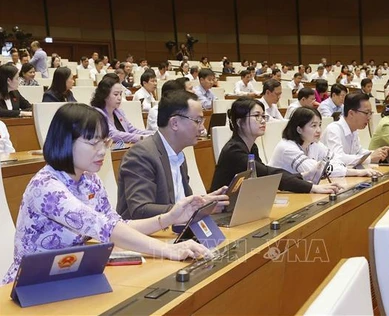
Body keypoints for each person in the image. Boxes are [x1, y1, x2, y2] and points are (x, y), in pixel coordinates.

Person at [1, 103, 213, 285]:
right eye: (93, 143)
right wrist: (168, 250)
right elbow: (105, 229)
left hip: (71, 275)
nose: (102, 151)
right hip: (30, 284)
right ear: (65, 141)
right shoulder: (46, 186)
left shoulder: (90, 179)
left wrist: (168, 218)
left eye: (105, 142)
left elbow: (116, 224)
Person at [117, 90, 228, 219]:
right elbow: (141, 210)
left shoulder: (178, 154)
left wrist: (204, 201)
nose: (202, 128)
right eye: (198, 121)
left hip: (174, 231)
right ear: (174, 123)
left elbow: (180, 202)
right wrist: (197, 206)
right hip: (147, 235)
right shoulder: (141, 155)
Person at [210, 97, 341, 194]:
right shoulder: (235, 150)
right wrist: (312, 187)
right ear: (239, 122)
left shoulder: (251, 147)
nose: (262, 120)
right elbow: (268, 174)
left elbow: (263, 177)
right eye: (256, 116)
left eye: (263, 116)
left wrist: (302, 176)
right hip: (222, 211)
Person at [269, 107, 382, 178]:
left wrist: (341, 168)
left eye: (319, 125)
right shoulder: (287, 147)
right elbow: (316, 171)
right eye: (313, 126)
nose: (318, 130)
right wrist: (357, 172)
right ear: (299, 129)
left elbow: (336, 160)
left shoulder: (314, 144)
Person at [321, 93, 389, 165]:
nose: (369, 117)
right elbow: (338, 159)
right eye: (366, 113)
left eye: (370, 113)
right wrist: (370, 158)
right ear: (351, 113)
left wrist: (379, 153)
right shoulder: (333, 130)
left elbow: (359, 152)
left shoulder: (353, 130)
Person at [91, 77, 154, 143]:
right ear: (104, 95)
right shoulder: (97, 114)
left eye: (120, 94)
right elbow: (113, 135)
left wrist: (153, 133)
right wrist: (141, 137)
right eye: (116, 94)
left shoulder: (118, 112)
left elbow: (132, 130)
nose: (119, 98)